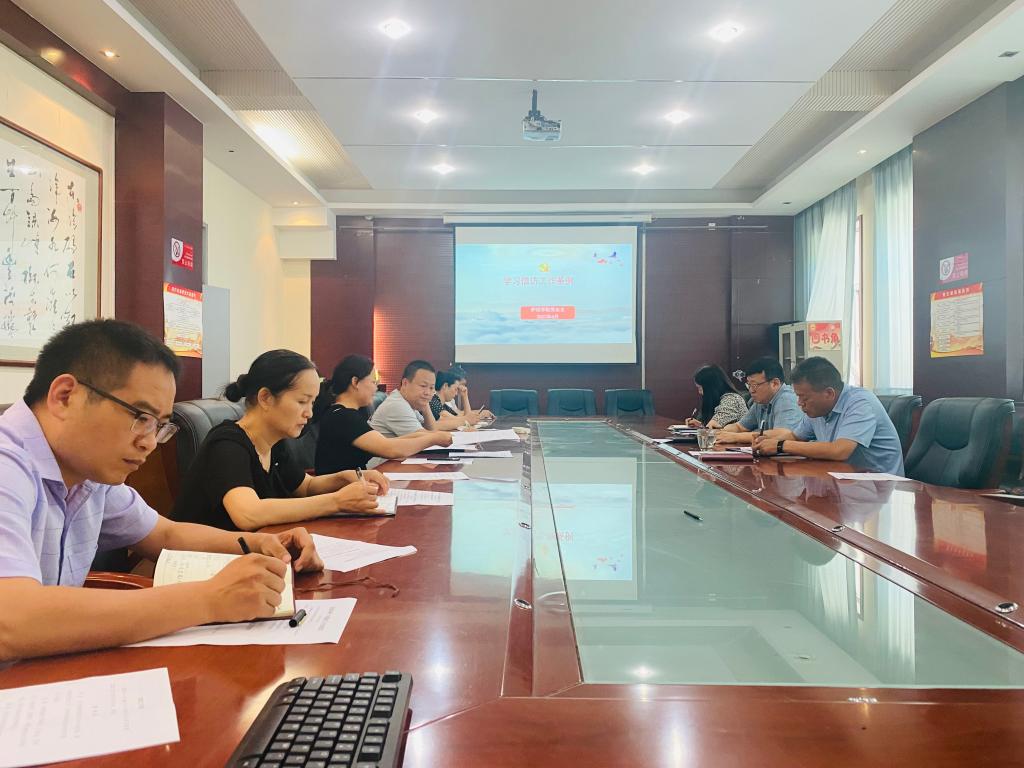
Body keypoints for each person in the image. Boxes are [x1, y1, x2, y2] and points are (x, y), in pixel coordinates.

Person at [0, 320, 324, 661]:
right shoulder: (10, 464)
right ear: (65, 396)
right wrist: (209, 599)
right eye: (140, 417)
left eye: (159, 425)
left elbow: (164, 534)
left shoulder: (88, 473)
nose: (150, 443)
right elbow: (11, 619)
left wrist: (259, 544)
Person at [173, 350, 390, 532]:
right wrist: (336, 502)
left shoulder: (274, 442)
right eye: (302, 401)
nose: (309, 413)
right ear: (265, 398)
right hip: (201, 561)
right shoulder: (227, 444)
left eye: (312, 403)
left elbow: (306, 486)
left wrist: (345, 477)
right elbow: (248, 514)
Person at [752, 356, 905, 476]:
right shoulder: (818, 409)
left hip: (881, 487)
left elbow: (840, 451)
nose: (799, 403)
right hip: (843, 480)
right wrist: (768, 442)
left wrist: (780, 446)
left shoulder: (861, 403)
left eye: (804, 398)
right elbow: (796, 436)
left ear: (829, 393)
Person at [313, 354, 453, 475]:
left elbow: (389, 441)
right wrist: (433, 438)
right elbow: (390, 448)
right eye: (373, 382)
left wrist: (431, 436)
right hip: (342, 490)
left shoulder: (347, 413)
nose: (376, 388)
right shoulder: (342, 417)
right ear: (355, 382)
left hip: (355, 485)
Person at [715, 357, 803, 445]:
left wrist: (735, 437)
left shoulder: (787, 398)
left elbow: (783, 434)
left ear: (775, 383)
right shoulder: (762, 401)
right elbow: (740, 427)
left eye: (754, 385)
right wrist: (719, 433)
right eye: (749, 385)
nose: (751, 390)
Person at [685, 364, 748, 429]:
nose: (699, 392)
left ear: (710, 387)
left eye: (700, 388)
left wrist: (706, 427)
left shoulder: (731, 399)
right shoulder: (722, 398)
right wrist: (701, 425)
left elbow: (713, 426)